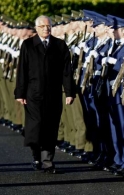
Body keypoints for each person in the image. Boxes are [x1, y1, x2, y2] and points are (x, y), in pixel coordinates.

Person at [14, 15, 75, 174]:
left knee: (50, 127)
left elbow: (66, 71)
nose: (46, 29)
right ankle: (36, 155)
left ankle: (47, 161)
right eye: (42, 26)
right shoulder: (28, 45)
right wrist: (20, 92)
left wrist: (69, 92)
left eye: (48, 26)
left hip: (53, 94)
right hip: (33, 94)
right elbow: (22, 70)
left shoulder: (60, 45)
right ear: (36, 28)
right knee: (36, 126)